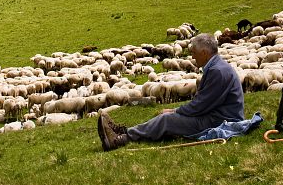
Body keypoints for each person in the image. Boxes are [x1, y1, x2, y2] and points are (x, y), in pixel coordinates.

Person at [98, 32, 245, 151]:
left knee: (166, 120)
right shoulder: (217, 67)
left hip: (220, 121)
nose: (192, 57)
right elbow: (204, 103)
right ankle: (124, 132)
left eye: (194, 52)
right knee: (168, 118)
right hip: (216, 115)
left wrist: (175, 111)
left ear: (205, 53)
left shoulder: (217, 71)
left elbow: (201, 105)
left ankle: (121, 139)